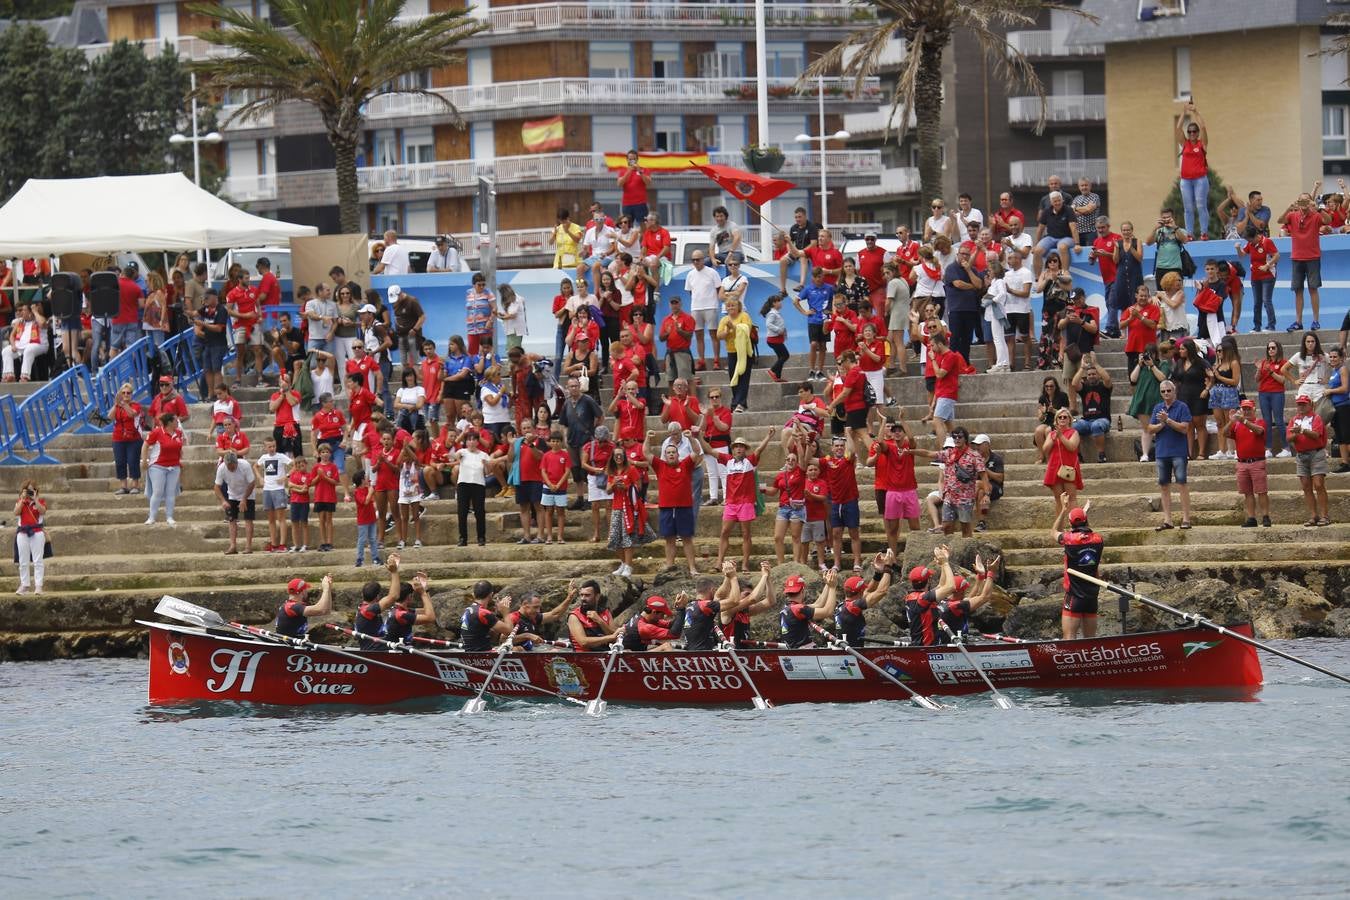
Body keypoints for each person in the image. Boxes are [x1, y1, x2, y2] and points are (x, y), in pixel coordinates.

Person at [698, 430, 773, 572]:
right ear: (733, 449)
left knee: (746, 534)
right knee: (724, 532)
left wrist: (768, 436)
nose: (739, 448)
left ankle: (745, 565)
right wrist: (699, 437)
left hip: (745, 502)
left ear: (745, 450)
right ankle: (718, 563)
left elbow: (759, 450)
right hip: (731, 503)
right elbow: (709, 450)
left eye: (742, 446)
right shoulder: (728, 460)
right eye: (736, 446)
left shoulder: (749, 461)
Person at [1278, 189, 1330, 332]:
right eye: (1302, 200)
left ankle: (1315, 320)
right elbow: (1280, 221)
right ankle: (1298, 321)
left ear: (1310, 202)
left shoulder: (1315, 216)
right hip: (1297, 257)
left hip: (1312, 256)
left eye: (1306, 201)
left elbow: (1328, 221)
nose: (1304, 204)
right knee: (1298, 290)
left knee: (1313, 289)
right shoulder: (1293, 215)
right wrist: (1289, 207)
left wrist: (1317, 207)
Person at [1051, 497, 1104, 639]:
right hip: (1092, 594)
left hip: (1074, 594)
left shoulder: (1068, 539)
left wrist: (1063, 509)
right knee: (1090, 639)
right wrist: (1084, 512)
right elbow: (1087, 533)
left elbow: (1053, 531)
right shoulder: (1098, 539)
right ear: (1086, 521)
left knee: (1069, 637)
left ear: (1070, 523)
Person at [1148, 380, 1194, 530]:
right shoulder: (1157, 408)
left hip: (1178, 452)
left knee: (1182, 484)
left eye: (1168, 390)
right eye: (1163, 391)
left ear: (1174, 391)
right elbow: (1150, 428)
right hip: (1162, 452)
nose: (1166, 393)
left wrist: (1167, 420)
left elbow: (1184, 428)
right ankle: (1168, 520)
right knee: (1164, 486)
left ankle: (1186, 518)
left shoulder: (1182, 407)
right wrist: (1161, 424)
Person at [604, 441, 651, 578]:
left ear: (624, 456)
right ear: (613, 457)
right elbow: (607, 491)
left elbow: (639, 487)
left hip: (628, 507)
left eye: (620, 455)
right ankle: (623, 563)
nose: (618, 457)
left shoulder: (631, 470)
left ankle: (629, 566)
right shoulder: (612, 472)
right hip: (616, 507)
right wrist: (613, 484)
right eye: (616, 455)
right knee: (614, 538)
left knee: (627, 537)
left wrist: (626, 487)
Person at [1225, 399, 1271, 528]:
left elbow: (1259, 431)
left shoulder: (1259, 421)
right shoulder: (1237, 424)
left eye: (1248, 409)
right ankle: (1251, 517)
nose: (1246, 411)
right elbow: (1225, 433)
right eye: (1244, 409)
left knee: (1262, 491)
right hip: (1242, 462)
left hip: (1257, 461)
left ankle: (1266, 516)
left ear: (1254, 409)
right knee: (1247, 492)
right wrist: (1231, 421)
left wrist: (1244, 421)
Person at [1288, 395, 1331, 527]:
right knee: (1306, 485)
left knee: (1318, 484)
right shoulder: (1294, 419)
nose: (1300, 407)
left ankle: (1325, 515)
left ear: (1310, 405)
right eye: (1299, 404)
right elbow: (1289, 438)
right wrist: (1296, 433)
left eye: (1303, 404)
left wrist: (1301, 430)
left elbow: (1316, 434)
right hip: (1301, 455)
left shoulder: (1316, 418)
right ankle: (1313, 515)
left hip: (1316, 453)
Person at [937, 427, 988, 538]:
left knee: (965, 527)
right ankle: (949, 551)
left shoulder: (974, 455)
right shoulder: (949, 453)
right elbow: (929, 453)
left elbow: (984, 476)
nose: (957, 439)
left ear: (965, 439)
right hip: (949, 496)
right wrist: (912, 452)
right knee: (946, 526)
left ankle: (967, 552)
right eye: (954, 437)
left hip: (965, 497)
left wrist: (986, 494)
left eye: (960, 436)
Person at [904, 545, 958, 647]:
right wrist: (945, 563)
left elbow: (941, 586)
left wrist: (943, 564)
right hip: (927, 649)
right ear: (928, 581)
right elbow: (951, 587)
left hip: (920, 646)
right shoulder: (923, 598)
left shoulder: (912, 596)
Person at [942, 244, 986, 365]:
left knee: (967, 339)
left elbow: (979, 285)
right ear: (958, 254)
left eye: (967, 254)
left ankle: (965, 363)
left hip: (971, 309)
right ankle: (951, 363)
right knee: (955, 338)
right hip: (956, 309)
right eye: (962, 254)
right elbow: (958, 284)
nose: (964, 256)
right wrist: (972, 287)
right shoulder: (951, 268)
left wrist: (968, 270)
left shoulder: (973, 269)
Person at [141, 412, 184, 527]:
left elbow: (179, 448)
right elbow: (145, 445)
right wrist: (144, 461)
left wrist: (180, 460)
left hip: (174, 466)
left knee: (170, 492)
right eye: (175, 420)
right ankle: (152, 517)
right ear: (169, 422)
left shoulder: (179, 433)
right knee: (158, 491)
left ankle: (169, 517)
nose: (177, 422)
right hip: (158, 466)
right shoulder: (157, 432)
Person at [778, 569, 839, 649]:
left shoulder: (788, 608)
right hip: (803, 652)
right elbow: (828, 611)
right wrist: (832, 587)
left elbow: (818, 604)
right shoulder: (799, 609)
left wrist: (828, 584)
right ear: (803, 590)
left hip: (793, 651)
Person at [794, 265, 835, 382]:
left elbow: (836, 300)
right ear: (813, 278)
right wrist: (804, 312)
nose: (819, 279)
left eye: (821, 276)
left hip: (825, 320)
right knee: (813, 344)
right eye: (816, 277)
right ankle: (811, 370)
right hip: (813, 320)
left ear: (823, 276)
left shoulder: (829, 288)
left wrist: (832, 312)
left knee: (823, 346)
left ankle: (820, 371)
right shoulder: (808, 289)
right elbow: (795, 301)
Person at [1175, 102, 1210, 237]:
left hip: (1200, 179)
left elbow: (1203, 126)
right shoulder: (1185, 144)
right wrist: (1184, 112)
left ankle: (1204, 232)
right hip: (1186, 180)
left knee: (1201, 205)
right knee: (1188, 208)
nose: (1192, 134)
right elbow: (1178, 128)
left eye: (1194, 131)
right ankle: (1189, 233)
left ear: (1197, 133)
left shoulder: (1202, 144)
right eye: (1189, 132)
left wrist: (1195, 112)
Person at [214, 451, 257, 555]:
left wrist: (244, 499)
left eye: (233, 466)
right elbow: (216, 487)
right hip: (232, 494)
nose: (231, 469)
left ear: (237, 462)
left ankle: (248, 546)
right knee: (231, 520)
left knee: (248, 519)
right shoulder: (222, 468)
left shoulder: (245, 465)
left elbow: (252, 483)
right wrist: (223, 501)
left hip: (248, 493)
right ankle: (233, 546)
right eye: (229, 467)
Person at [1238, 225, 1280, 333]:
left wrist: (1268, 265)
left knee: (1266, 300)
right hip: (1255, 277)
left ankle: (1271, 325)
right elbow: (1242, 255)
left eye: (1249, 239)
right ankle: (1257, 326)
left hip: (1268, 276)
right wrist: (1238, 248)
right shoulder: (1250, 244)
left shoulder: (1266, 242)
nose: (1248, 241)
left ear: (1255, 236)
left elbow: (1276, 255)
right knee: (1257, 302)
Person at [718, 295, 755, 413]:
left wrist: (733, 327)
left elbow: (746, 329)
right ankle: (736, 402)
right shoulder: (724, 320)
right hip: (731, 351)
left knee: (744, 377)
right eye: (728, 306)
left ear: (738, 306)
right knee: (733, 377)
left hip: (744, 351)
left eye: (733, 305)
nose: (730, 307)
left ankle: (741, 403)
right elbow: (719, 336)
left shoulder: (744, 316)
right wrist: (727, 331)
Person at [1207, 336, 1242, 459]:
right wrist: (1211, 378)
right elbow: (1213, 380)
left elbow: (1235, 381)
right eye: (1217, 351)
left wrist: (1219, 377)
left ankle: (1236, 450)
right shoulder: (1217, 364)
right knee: (1219, 422)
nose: (1218, 353)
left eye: (1220, 351)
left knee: (1230, 422)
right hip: (1216, 392)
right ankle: (1222, 450)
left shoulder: (1233, 362)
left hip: (1229, 392)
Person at [1071, 362, 1113, 463]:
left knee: (1096, 426)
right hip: (1086, 421)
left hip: (1103, 420)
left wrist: (1095, 364)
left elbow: (1107, 379)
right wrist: (1082, 368)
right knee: (1072, 427)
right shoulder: (1084, 387)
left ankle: (1101, 455)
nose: (1091, 376)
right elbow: (1074, 384)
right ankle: (1078, 456)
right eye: (1089, 374)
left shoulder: (1105, 387)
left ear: (1098, 375)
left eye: (1094, 374)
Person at [1042, 407, 1082, 510]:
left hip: (1069, 467)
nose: (1062, 419)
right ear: (1056, 420)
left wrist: (1061, 436)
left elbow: (1072, 447)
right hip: (1055, 467)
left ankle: (1075, 524)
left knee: (1071, 498)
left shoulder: (1074, 432)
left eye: (1065, 417)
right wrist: (1053, 438)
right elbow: (1045, 450)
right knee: (1058, 498)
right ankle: (1060, 525)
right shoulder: (1051, 434)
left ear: (1069, 419)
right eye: (1060, 417)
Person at [1032, 191, 1079, 276]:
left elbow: (1073, 227)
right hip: (1051, 237)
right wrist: (1036, 244)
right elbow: (1040, 228)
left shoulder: (1069, 210)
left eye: (1059, 200)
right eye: (1055, 201)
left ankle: (1064, 273)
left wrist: (1077, 244)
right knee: (1037, 251)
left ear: (1062, 200)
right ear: (1051, 202)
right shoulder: (1046, 211)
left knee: (1062, 247)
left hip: (1066, 237)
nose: (1057, 203)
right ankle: (1038, 279)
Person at [109, 383, 144, 496]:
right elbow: (110, 416)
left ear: (132, 394)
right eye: (123, 393)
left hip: (134, 438)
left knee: (133, 460)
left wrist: (124, 404)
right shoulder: (118, 406)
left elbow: (132, 414)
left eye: (128, 393)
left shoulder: (136, 405)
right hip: (118, 438)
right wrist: (116, 404)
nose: (126, 395)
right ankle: (123, 486)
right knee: (120, 461)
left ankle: (135, 485)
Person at [13, 481, 47, 595]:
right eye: (27, 490)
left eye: (32, 490)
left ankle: (38, 586)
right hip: (22, 533)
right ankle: (25, 585)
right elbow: (16, 513)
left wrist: (35, 499)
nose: (29, 492)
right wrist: (23, 500)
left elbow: (43, 511)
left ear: (36, 491)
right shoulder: (20, 502)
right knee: (23, 561)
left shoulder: (40, 502)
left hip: (37, 532)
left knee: (38, 561)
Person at [461, 580, 513, 651]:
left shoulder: (468, 610)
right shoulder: (483, 613)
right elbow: (509, 631)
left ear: (474, 594)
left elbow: (488, 632)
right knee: (518, 649)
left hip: (469, 652)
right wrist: (506, 612)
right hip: (482, 655)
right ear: (491, 595)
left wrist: (496, 613)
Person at [1120, 284, 1161, 373]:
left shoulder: (1154, 308)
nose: (1143, 298)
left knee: (1150, 377)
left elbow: (1153, 325)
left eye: (1146, 296)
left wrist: (1139, 316)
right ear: (1136, 296)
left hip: (1149, 349)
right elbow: (1121, 326)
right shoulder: (1130, 309)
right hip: (1133, 348)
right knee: (1133, 379)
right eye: (1141, 296)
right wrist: (1129, 319)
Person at [2, 303, 47, 382]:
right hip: (21, 346)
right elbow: (12, 336)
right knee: (6, 351)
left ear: (30, 312)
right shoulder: (20, 321)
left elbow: (43, 323)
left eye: (24, 310)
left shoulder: (39, 319)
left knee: (29, 349)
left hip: (39, 345)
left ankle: (25, 376)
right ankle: (9, 375)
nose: (21, 312)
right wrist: (13, 345)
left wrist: (35, 312)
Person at [1032, 376, 1071, 463]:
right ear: (1044, 387)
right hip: (1048, 421)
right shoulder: (1042, 398)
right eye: (1047, 386)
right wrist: (1043, 412)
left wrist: (1054, 411)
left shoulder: (1062, 396)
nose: (1049, 388)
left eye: (1051, 386)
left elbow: (1066, 413)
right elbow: (1040, 418)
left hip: (1059, 421)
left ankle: (1050, 457)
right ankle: (1042, 456)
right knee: (1038, 430)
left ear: (1055, 386)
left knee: (1048, 431)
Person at [971, 433, 1003, 533]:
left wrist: (984, 470)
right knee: (981, 492)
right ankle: (982, 523)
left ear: (987, 445)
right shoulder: (975, 458)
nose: (977, 447)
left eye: (979, 444)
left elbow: (1000, 478)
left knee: (978, 484)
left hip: (996, 488)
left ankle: (967, 503)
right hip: (984, 489)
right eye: (976, 445)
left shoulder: (996, 458)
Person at [707, 205, 742, 270]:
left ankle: (729, 280)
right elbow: (711, 247)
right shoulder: (713, 230)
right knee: (706, 261)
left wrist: (731, 252)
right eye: (717, 216)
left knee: (731, 262)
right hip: (722, 254)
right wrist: (713, 259)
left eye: (721, 216)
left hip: (735, 253)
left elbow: (737, 237)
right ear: (714, 217)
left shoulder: (732, 225)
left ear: (725, 216)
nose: (719, 218)